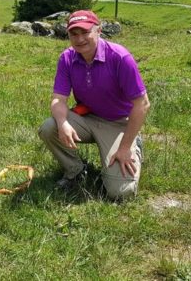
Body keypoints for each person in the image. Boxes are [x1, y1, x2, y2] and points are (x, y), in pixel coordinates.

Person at [38, 10, 150, 201]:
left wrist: (124, 148)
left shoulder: (120, 57)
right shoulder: (67, 58)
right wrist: (63, 123)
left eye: (85, 32)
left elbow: (142, 104)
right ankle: (76, 171)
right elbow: (58, 99)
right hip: (87, 117)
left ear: (98, 30)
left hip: (119, 124)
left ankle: (133, 144)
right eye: (74, 33)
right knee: (49, 128)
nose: (80, 38)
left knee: (120, 192)